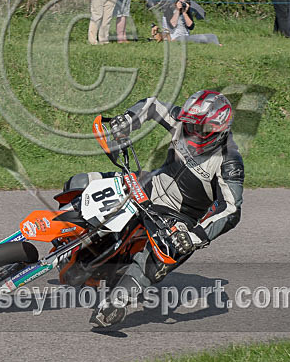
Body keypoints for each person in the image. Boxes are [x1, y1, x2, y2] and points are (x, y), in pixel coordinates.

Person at [87, 90, 243, 327]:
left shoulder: (229, 160)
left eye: (198, 129)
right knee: (85, 182)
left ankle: (117, 302)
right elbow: (151, 106)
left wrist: (194, 237)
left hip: (179, 217)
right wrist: (126, 121)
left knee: (165, 254)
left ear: (217, 130)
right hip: (148, 185)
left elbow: (231, 209)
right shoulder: (185, 122)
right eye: (189, 125)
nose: (189, 132)